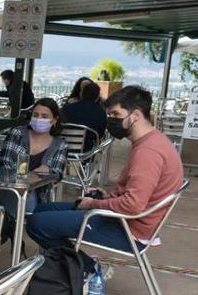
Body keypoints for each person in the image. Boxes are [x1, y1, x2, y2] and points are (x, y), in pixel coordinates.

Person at [26, 86, 183, 252]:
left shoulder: (148, 152)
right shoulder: (153, 140)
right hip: (126, 220)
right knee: (41, 210)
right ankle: (71, 265)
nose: (111, 120)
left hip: (127, 229)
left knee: (37, 224)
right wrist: (107, 196)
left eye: (116, 114)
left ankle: (88, 270)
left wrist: (94, 203)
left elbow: (134, 205)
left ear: (135, 115)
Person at [0, 98, 67, 217]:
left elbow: (58, 173)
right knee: (18, 199)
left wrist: (49, 170)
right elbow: (5, 162)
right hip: (10, 186)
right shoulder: (17, 134)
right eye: (36, 115)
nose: (39, 119)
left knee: (28, 201)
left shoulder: (60, 144)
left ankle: (10, 227)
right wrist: (21, 179)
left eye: (45, 116)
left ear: (54, 120)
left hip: (37, 193)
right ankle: (11, 228)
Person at [61, 80, 107, 145]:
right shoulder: (101, 113)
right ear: (97, 97)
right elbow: (100, 135)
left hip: (63, 146)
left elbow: (58, 125)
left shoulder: (66, 108)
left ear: (81, 94)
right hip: (86, 151)